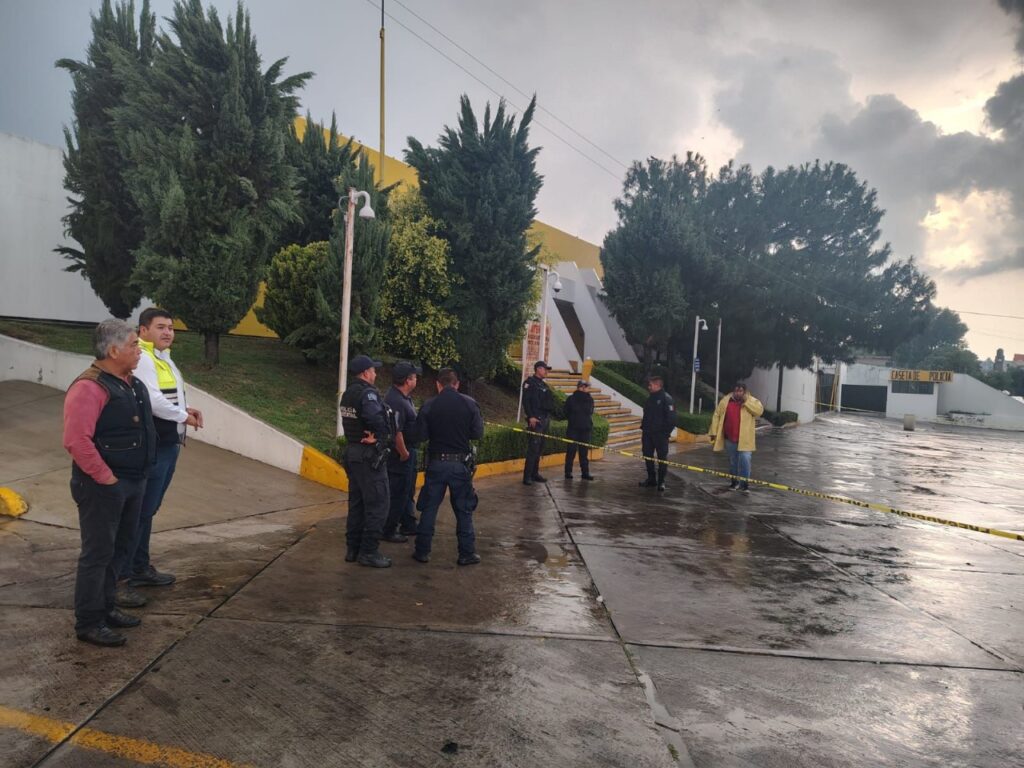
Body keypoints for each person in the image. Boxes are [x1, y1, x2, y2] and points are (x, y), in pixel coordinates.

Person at [63, 319, 156, 647]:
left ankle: (107, 607)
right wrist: (108, 479)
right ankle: (89, 622)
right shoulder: (89, 387)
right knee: (98, 554)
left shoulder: (131, 383)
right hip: (101, 486)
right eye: (134, 345)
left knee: (120, 549)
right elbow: (76, 440)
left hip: (133, 481)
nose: (139, 350)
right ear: (114, 351)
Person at [118, 308, 203, 604]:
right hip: (154, 446)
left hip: (168, 443)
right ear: (143, 330)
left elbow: (167, 393)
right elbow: (153, 400)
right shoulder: (143, 357)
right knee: (140, 512)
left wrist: (184, 409)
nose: (168, 332)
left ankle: (139, 567)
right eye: (160, 327)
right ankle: (124, 575)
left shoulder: (162, 357)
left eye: (170, 327)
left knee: (148, 510)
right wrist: (182, 416)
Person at [412, 368, 484, 565]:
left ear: (438, 384)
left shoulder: (429, 405)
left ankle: (422, 551)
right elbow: (477, 433)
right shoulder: (470, 404)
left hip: (436, 464)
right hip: (460, 465)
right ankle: (466, 553)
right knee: (463, 510)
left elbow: (421, 436)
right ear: (457, 384)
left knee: (429, 508)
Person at [339, 355, 393, 568]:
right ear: (365, 373)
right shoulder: (368, 394)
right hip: (367, 455)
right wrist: (380, 437)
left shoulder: (348, 394)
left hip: (352, 452)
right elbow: (374, 417)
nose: (375, 374)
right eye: (373, 370)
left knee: (357, 503)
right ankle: (369, 552)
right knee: (379, 503)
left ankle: (352, 549)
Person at [382, 360, 421, 543]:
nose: (416, 380)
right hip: (400, 456)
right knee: (397, 492)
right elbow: (396, 431)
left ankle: (408, 523)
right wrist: (404, 453)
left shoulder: (403, 397)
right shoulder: (395, 401)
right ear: (407, 380)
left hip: (408, 452)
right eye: (414, 377)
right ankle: (388, 529)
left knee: (406, 490)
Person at [709, 382, 764, 493]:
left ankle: (744, 484)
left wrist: (746, 402)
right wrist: (713, 431)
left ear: (744, 391)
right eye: (736, 391)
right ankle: (734, 482)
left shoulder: (751, 401)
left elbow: (759, 411)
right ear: (733, 391)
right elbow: (717, 415)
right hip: (730, 438)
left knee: (745, 460)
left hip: (745, 439)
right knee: (733, 462)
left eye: (741, 391)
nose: (738, 393)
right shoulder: (725, 401)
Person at [522, 360, 555, 485]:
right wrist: (530, 416)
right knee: (533, 449)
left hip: (544, 419)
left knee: (539, 449)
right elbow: (526, 401)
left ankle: (534, 474)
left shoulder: (543, 385)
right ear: (538, 369)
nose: (546, 372)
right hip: (536, 419)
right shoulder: (529, 383)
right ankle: (527, 476)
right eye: (545, 369)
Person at [639, 376, 675, 492]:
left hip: (660, 436)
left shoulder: (666, 398)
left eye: (650, 385)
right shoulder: (650, 398)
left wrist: (665, 433)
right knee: (647, 455)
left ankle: (661, 481)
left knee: (662, 458)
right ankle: (651, 479)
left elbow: (671, 419)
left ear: (657, 385)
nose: (648, 387)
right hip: (648, 434)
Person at [564, 380, 595, 480]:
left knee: (584, 453)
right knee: (571, 451)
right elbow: (566, 412)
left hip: (585, 429)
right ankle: (568, 472)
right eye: (587, 387)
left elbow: (590, 411)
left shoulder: (589, 399)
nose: (588, 389)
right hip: (573, 429)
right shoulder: (571, 399)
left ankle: (585, 473)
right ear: (581, 387)